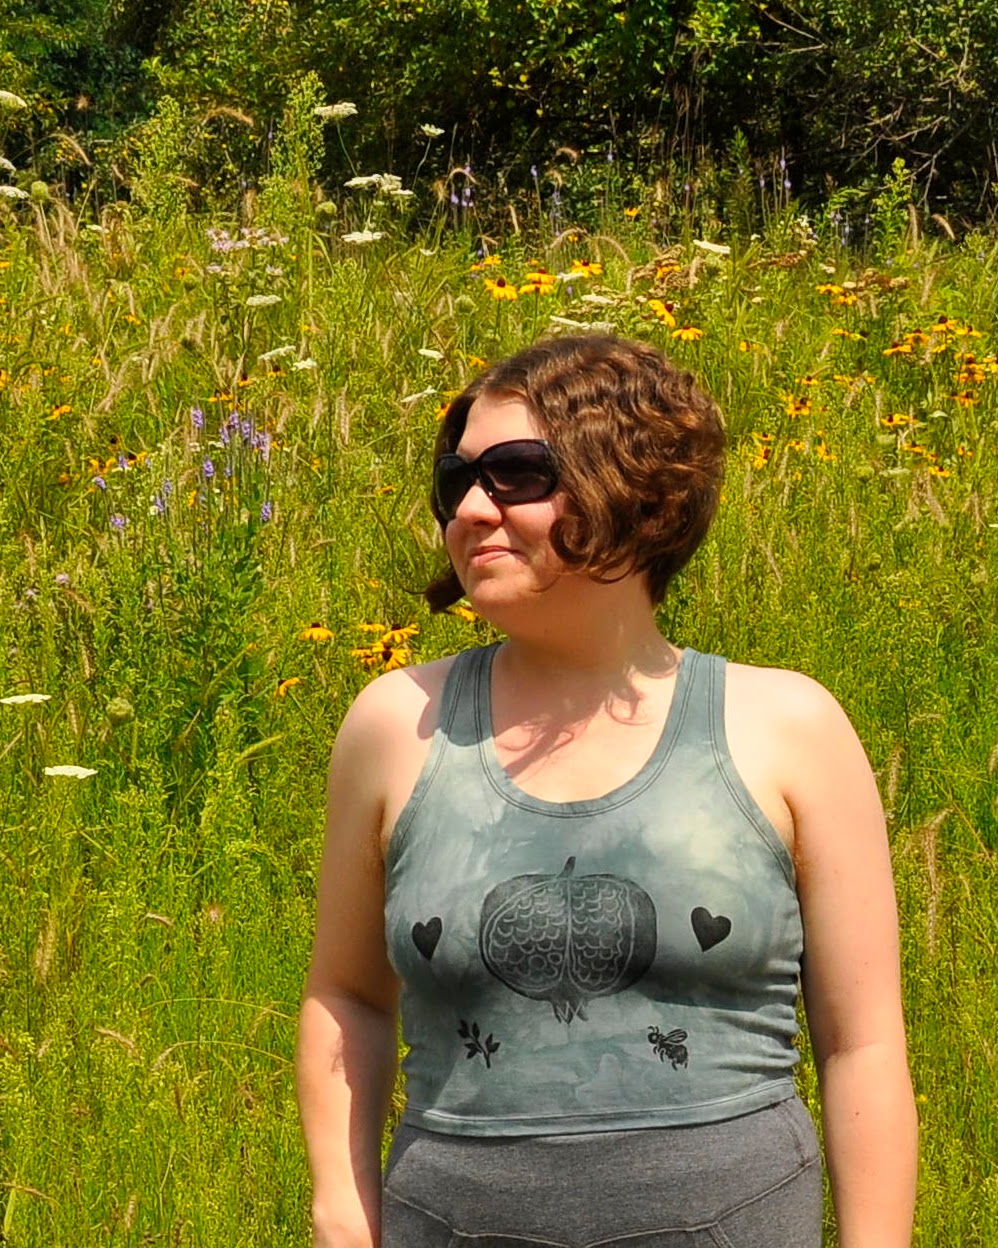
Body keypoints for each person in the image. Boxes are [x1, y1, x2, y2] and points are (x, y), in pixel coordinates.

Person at [296, 333, 917, 1248]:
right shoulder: (397, 725)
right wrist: (342, 1216)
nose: (471, 508)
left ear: (633, 487)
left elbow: (862, 1043)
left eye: (515, 474)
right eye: (455, 480)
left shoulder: (788, 727)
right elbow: (348, 996)